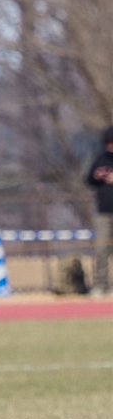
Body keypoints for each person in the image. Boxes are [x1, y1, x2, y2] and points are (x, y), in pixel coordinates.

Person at [86, 126, 113, 295]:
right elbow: (88, 179)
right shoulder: (100, 159)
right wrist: (97, 176)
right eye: (108, 143)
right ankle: (101, 285)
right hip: (103, 212)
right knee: (101, 249)